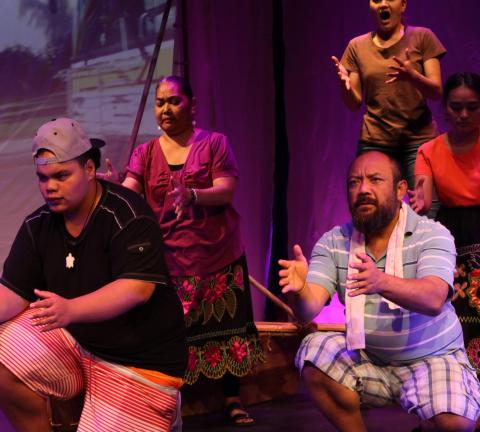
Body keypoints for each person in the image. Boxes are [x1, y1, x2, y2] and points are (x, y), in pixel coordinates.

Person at [0, 118, 187, 432]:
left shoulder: (127, 213)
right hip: (77, 344)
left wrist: (71, 309)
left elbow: (137, 288)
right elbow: (12, 294)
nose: (50, 187)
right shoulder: (39, 224)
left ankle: (162, 414)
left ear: (89, 169)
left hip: (136, 362)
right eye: (43, 178)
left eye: (61, 176)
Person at [278, 151, 480, 432]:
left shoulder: (432, 234)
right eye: (354, 182)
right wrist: (299, 291)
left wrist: (380, 281)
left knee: (456, 425)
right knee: (314, 350)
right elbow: (308, 309)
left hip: (433, 359)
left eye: (374, 180)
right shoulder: (334, 242)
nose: (363, 189)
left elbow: (434, 298)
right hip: (370, 360)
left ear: (400, 190)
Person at [104, 75, 263, 426]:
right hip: (170, 259)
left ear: (192, 105)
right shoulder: (145, 153)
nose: (165, 109)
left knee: (227, 330)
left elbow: (225, 190)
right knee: (174, 334)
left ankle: (232, 399)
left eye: (173, 101)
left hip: (217, 253)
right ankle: (172, 403)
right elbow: (131, 190)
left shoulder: (215, 144)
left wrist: (193, 195)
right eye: (160, 102)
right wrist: (113, 186)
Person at [331, 0, 446, 190]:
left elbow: (436, 91)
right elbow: (354, 103)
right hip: (375, 141)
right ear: (370, 5)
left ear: (403, 5)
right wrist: (345, 86)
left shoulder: (422, 37)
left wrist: (413, 76)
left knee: (425, 212)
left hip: (418, 140)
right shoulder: (357, 46)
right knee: (372, 209)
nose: (383, 4)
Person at [410, 72, 480, 376]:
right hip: (452, 231)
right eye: (455, 107)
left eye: (472, 107)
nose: (463, 115)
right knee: (457, 315)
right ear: (445, 109)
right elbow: (423, 195)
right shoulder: (429, 150)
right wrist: (419, 202)